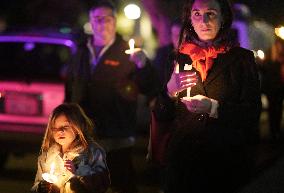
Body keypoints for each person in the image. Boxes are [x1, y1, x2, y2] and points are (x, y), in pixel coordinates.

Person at [152, 0, 262, 193]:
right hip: (183, 164)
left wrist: (213, 107)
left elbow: (251, 114)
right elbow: (162, 115)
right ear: (190, 20)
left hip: (225, 163)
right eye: (196, 14)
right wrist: (169, 91)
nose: (203, 20)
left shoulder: (241, 60)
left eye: (210, 13)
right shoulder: (178, 57)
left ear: (223, 18)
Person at [65, 1, 160, 193]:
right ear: (91, 22)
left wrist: (143, 66)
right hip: (84, 135)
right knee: (84, 184)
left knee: (120, 183)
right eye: (97, 19)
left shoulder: (127, 52)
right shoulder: (81, 51)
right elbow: (70, 88)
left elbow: (149, 86)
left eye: (107, 18)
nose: (102, 23)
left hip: (117, 134)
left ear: (115, 21)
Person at [30, 103, 110, 193]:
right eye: (55, 128)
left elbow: (101, 186)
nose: (60, 131)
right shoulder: (46, 158)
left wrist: (79, 171)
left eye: (65, 126)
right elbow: (35, 186)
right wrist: (40, 187)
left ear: (78, 127)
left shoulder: (92, 153)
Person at [260, 37, 284, 142]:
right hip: (271, 88)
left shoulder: (281, 57)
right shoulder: (270, 54)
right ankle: (273, 131)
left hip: (280, 87)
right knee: (272, 109)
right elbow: (265, 70)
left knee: (277, 109)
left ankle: (276, 131)